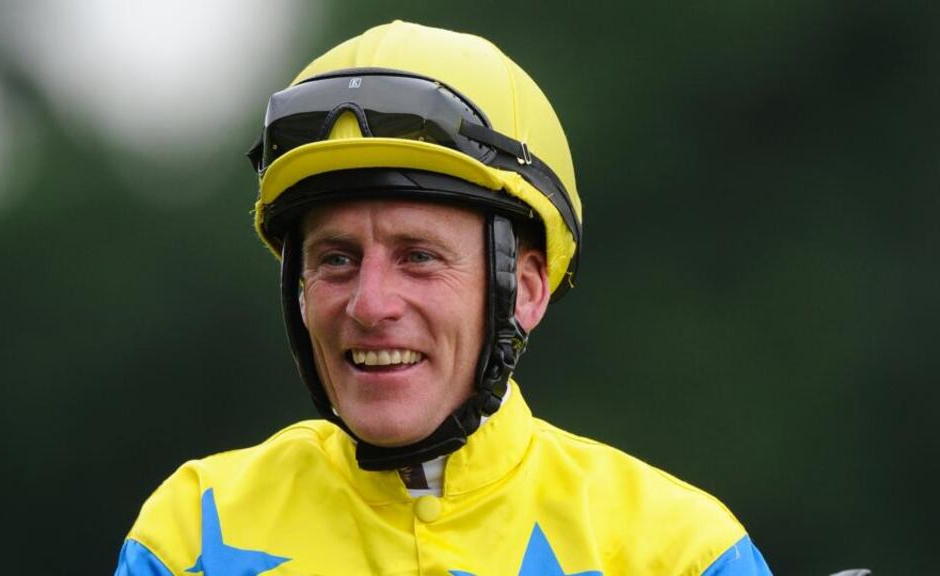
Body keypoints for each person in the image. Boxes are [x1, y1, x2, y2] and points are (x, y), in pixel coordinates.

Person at [114, 21, 772, 575]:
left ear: (528, 289)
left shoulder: (685, 554)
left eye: (419, 258)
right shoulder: (190, 538)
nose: (370, 306)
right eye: (337, 259)